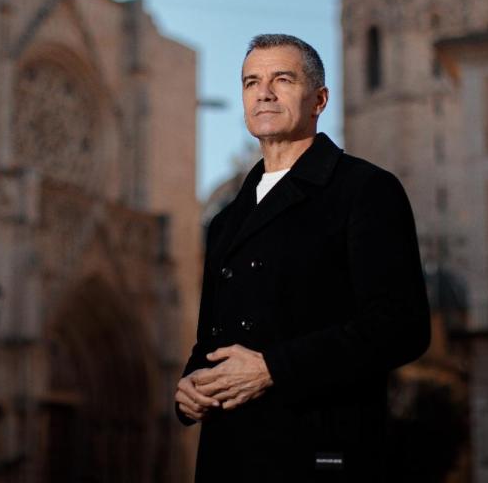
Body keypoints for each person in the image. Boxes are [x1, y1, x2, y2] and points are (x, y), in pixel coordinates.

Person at [175, 33, 431, 481]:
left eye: (282, 79)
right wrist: (192, 384)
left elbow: (402, 326)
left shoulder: (365, 190)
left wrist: (273, 368)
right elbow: (211, 340)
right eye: (251, 81)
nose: (264, 92)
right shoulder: (225, 220)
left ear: (319, 99)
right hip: (228, 455)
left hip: (318, 453)